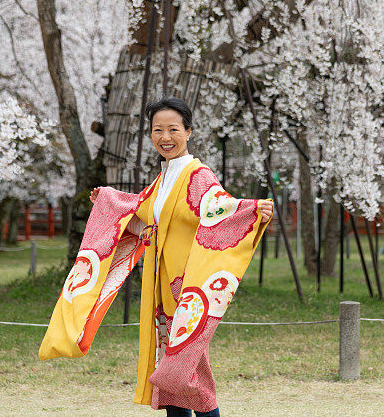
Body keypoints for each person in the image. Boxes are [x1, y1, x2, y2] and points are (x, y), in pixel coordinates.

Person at [90, 97, 274, 417]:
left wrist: (252, 210)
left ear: (188, 132)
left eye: (173, 129)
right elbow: (143, 216)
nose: (165, 137)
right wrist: (107, 201)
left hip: (188, 286)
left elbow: (220, 208)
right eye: (157, 130)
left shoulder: (197, 174)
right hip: (165, 285)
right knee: (173, 373)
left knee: (191, 371)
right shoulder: (163, 178)